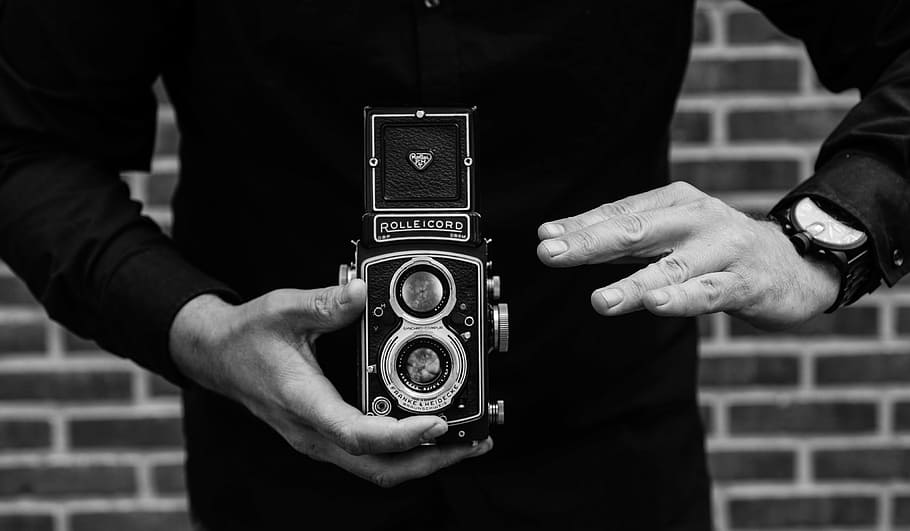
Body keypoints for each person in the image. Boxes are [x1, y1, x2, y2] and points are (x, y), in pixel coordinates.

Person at [0, 1, 908, 529]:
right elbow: (27, 144)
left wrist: (819, 245)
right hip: (277, 468)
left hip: (607, 461)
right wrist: (202, 332)